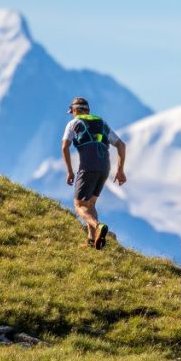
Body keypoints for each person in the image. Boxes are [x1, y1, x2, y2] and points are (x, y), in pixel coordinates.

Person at [61, 96, 126, 250]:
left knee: (79, 205)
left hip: (88, 166)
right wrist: (120, 170)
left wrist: (70, 171)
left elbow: (65, 147)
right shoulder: (101, 122)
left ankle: (98, 226)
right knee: (90, 203)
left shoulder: (73, 123)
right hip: (105, 167)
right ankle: (92, 241)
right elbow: (121, 145)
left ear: (75, 110)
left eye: (72, 112)